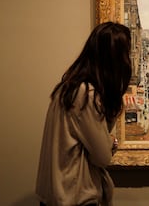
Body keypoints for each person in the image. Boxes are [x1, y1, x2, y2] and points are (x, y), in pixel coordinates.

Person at [36, 22, 132, 206]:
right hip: (76, 199)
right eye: (125, 54)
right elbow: (103, 156)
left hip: (54, 198)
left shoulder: (67, 89)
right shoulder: (87, 96)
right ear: (114, 59)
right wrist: (113, 142)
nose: (128, 60)